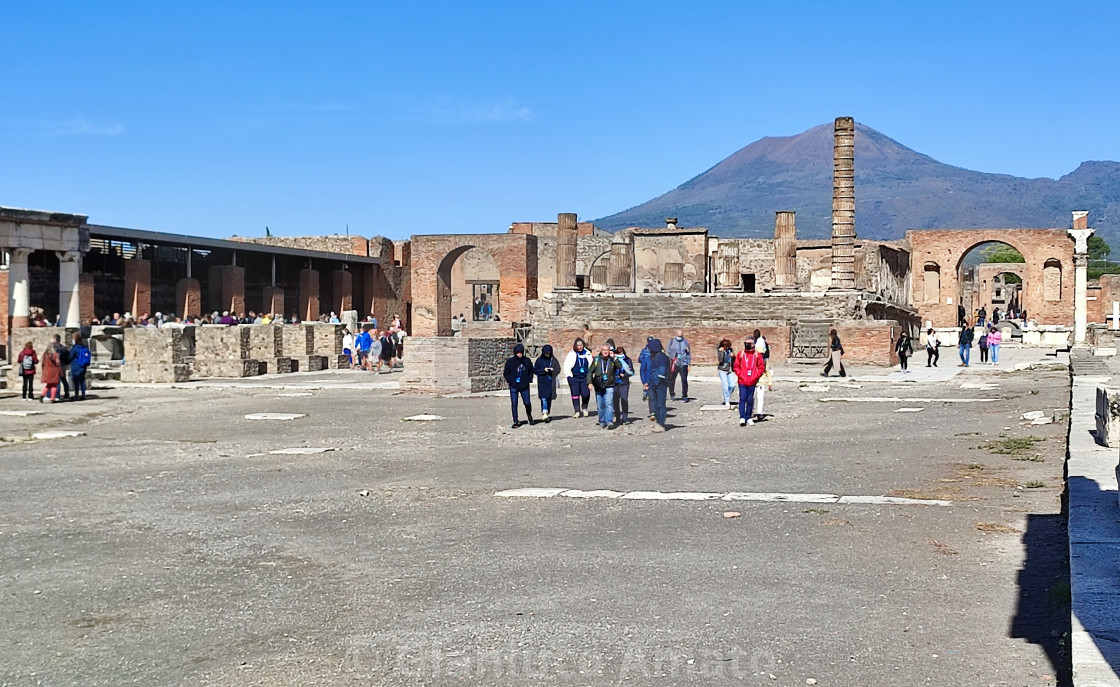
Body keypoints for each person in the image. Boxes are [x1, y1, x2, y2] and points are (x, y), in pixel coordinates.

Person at [733, 337, 766, 426]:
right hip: (742, 381)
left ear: (753, 344)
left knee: (750, 400)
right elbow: (736, 366)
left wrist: (755, 376)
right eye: (745, 343)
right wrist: (740, 375)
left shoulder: (757, 355)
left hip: (752, 381)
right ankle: (742, 417)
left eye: (749, 343)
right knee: (742, 398)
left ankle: (748, 417)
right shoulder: (741, 354)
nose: (747, 345)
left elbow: (761, 367)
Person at [641, 338, 671, 432]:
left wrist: (657, 382)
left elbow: (662, 371)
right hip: (654, 384)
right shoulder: (654, 356)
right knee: (656, 405)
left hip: (660, 384)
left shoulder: (661, 357)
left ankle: (661, 424)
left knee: (661, 404)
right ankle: (658, 422)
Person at [589, 344, 621, 429]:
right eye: (604, 350)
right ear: (601, 351)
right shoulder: (596, 360)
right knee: (600, 405)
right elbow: (590, 372)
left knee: (609, 404)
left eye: (607, 350)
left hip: (610, 385)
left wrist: (614, 358)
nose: (606, 352)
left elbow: (619, 366)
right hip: (599, 385)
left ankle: (609, 421)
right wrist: (589, 383)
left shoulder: (612, 360)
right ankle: (602, 420)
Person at [503, 343, 535, 428]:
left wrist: (528, 380)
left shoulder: (527, 361)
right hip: (514, 386)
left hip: (524, 386)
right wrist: (511, 382)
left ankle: (529, 416)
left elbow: (531, 370)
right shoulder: (510, 362)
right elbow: (506, 373)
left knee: (527, 403)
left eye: (521, 352)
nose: (519, 354)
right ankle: (515, 420)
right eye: (518, 353)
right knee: (514, 403)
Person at [561, 338, 593, 418]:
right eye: (578, 345)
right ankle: (577, 410)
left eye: (581, 345)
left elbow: (591, 365)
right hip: (574, 378)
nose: (579, 347)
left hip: (585, 377)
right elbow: (567, 365)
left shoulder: (587, 353)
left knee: (586, 394)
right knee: (575, 394)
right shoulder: (572, 354)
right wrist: (569, 376)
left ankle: (584, 407)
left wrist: (591, 376)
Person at [533, 344, 559, 422]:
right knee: (543, 398)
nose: (547, 355)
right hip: (542, 382)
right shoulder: (539, 360)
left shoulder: (554, 360)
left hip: (551, 382)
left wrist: (552, 370)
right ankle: (544, 412)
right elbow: (535, 370)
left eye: (549, 353)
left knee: (549, 399)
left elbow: (558, 369)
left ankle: (547, 412)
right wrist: (543, 370)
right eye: (546, 353)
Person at [667, 329, 692, 402]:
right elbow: (668, 352)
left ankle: (684, 395)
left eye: (681, 336)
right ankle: (672, 394)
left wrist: (689, 364)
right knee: (671, 380)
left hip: (683, 364)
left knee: (684, 380)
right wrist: (672, 359)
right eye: (678, 336)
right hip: (674, 364)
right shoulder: (671, 342)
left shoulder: (686, 342)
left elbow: (688, 354)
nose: (679, 337)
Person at [613, 345, 634, 424]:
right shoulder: (614, 360)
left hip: (624, 383)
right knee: (615, 401)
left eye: (621, 352)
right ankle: (618, 418)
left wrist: (624, 375)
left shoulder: (628, 360)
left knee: (624, 400)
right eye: (618, 353)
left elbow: (631, 371)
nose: (620, 354)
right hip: (615, 383)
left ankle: (625, 418)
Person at [69, 333, 91, 400]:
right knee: (82, 381)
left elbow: (70, 357)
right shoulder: (84, 347)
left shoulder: (75, 348)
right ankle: (83, 395)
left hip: (76, 366)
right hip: (83, 366)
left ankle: (76, 395)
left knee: (76, 382)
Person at [51, 334, 72, 400]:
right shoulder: (64, 348)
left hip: (56, 366)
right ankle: (67, 394)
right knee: (64, 380)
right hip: (63, 365)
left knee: (57, 381)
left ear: (55, 339)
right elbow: (68, 357)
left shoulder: (54, 347)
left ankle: (57, 395)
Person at [716, 339, 736, 408]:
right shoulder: (720, 350)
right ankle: (727, 401)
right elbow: (720, 361)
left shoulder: (730, 350)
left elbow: (734, 360)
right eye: (725, 346)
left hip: (730, 370)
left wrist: (733, 356)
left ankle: (727, 396)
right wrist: (721, 352)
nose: (726, 348)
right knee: (725, 385)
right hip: (722, 370)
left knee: (732, 385)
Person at [637, 336, 652, 404]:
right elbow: (639, 359)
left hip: (650, 367)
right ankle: (646, 393)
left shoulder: (654, 350)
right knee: (646, 380)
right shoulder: (644, 350)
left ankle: (648, 394)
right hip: (645, 367)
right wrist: (644, 361)